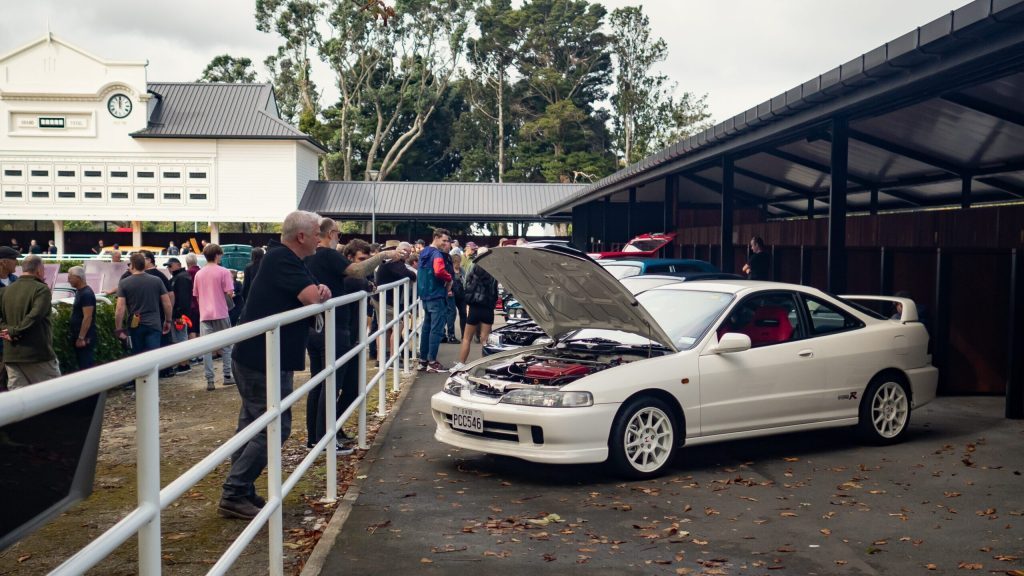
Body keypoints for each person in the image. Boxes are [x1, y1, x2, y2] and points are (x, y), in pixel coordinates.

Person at [218, 210, 330, 520]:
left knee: (251, 427)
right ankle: (235, 491)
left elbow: (314, 292)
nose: (320, 238)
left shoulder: (286, 259)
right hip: (261, 359)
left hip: (262, 356)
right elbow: (311, 298)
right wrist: (318, 294)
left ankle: (241, 488)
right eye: (317, 233)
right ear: (302, 237)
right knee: (274, 427)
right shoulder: (282, 259)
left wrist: (318, 292)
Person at [0, 255, 59, 388]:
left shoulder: (5, 291)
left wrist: (7, 331)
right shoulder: (41, 289)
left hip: (11, 355)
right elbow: (35, 316)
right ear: (39, 270)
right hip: (36, 354)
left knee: (21, 403)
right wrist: (14, 331)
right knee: (52, 397)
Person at [193, 243, 236, 390]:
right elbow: (229, 293)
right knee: (226, 346)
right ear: (217, 255)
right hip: (221, 312)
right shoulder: (224, 272)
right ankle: (227, 376)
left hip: (205, 314)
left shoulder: (199, 273)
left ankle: (210, 380)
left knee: (207, 349)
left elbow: (197, 295)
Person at [450, 248, 499, 373]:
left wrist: (468, 299)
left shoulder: (473, 267)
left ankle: (461, 363)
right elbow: (495, 290)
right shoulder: (494, 269)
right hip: (488, 308)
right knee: (485, 340)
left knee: (467, 338)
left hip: (474, 307)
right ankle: (487, 365)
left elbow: (466, 284)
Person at [115, 253, 171, 356]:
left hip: (135, 325)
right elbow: (167, 303)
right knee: (153, 357)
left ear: (132, 265)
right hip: (154, 324)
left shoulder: (124, 283)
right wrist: (168, 321)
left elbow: (120, 308)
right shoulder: (156, 280)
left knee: (137, 357)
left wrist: (118, 328)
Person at [417, 228, 452, 372]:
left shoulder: (424, 252)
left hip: (425, 295)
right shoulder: (437, 254)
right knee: (436, 329)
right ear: (436, 238)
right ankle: (432, 361)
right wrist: (449, 278)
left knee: (427, 328)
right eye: (443, 240)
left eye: (447, 241)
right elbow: (438, 270)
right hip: (436, 294)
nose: (446, 243)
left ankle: (423, 360)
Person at [67, 266, 97, 371]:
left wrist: (81, 337)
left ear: (78, 277)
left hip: (85, 338)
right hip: (80, 336)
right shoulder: (80, 292)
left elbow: (87, 317)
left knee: (85, 365)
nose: (68, 280)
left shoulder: (86, 294)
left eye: (70, 277)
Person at [167, 257, 193, 374]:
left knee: (180, 338)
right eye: (168, 266)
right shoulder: (179, 277)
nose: (169, 268)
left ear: (178, 265)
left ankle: (184, 365)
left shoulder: (181, 278)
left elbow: (182, 298)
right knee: (181, 337)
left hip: (180, 314)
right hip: (181, 313)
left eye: (170, 265)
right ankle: (184, 363)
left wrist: (178, 313)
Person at [0, 246, 20, 391]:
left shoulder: (17, 281)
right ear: (4, 262)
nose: (16, 263)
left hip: (14, 336)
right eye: (14, 260)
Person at [450, 253, 467, 340]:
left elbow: (466, 281)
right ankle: (451, 334)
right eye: (457, 263)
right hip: (452, 295)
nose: (458, 264)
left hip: (462, 295)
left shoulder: (462, 270)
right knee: (452, 314)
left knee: (463, 314)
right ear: (453, 262)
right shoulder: (450, 271)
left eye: (459, 262)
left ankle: (464, 334)